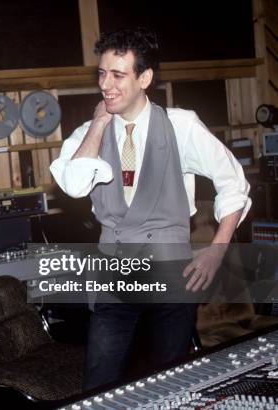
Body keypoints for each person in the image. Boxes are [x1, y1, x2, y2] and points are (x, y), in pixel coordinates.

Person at [49, 27, 250, 390]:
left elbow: (233, 182)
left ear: (144, 78)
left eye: (117, 75)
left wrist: (217, 251)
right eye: (101, 73)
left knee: (170, 383)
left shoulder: (181, 125)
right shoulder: (85, 134)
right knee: (99, 382)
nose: (105, 84)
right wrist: (98, 123)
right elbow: (75, 185)